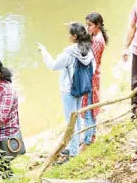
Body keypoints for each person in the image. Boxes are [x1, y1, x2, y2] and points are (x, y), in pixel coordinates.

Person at [37, 23, 96, 158]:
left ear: (74, 36)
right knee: (77, 118)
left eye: (70, 34)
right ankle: (73, 147)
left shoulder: (70, 53)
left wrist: (44, 51)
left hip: (69, 90)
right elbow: (94, 66)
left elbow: (53, 66)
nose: (68, 36)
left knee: (71, 122)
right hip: (81, 87)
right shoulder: (87, 49)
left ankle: (74, 152)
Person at [82, 12, 108, 145]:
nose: (88, 28)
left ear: (97, 25)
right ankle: (91, 136)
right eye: (86, 25)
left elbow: (93, 63)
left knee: (88, 109)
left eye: (90, 25)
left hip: (90, 78)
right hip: (92, 77)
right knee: (91, 107)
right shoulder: (96, 36)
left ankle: (87, 141)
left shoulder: (97, 41)